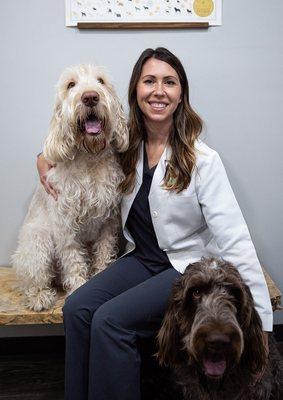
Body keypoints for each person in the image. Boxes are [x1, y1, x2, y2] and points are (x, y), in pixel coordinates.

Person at [37, 47, 272, 400]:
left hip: (182, 266)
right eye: (149, 81)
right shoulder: (128, 144)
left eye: (169, 82)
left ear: (180, 96)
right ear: (136, 91)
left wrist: (263, 327)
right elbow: (74, 140)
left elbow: (236, 240)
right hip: (141, 259)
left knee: (111, 321)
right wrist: (41, 160)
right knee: (77, 309)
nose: (159, 90)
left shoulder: (203, 159)